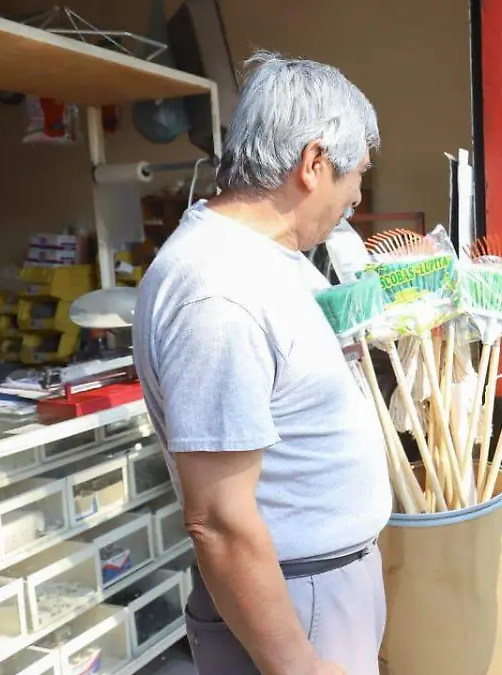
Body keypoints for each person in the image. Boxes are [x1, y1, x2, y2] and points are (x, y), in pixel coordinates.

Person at [132, 52, 390, 675]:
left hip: (319, 591)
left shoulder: (274, 259)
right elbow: (219, 520)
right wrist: (296, 664)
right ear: (313, 163)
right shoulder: (218, 292)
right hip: (293, 603)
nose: (356, 195)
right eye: (355, 174)